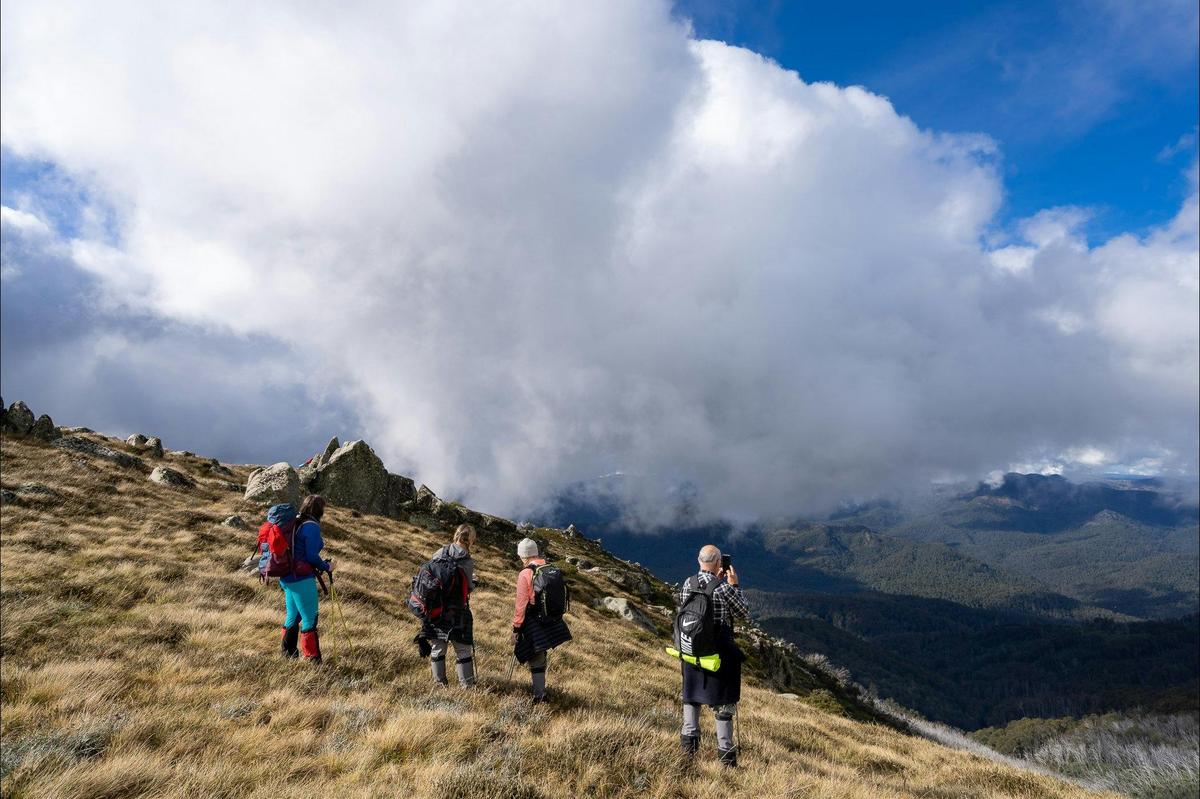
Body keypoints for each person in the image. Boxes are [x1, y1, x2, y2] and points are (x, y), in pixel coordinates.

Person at [677, 544, 749, 767]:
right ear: (718, 563)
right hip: (719, 654)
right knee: (724, 704)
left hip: (692, 650)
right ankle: (726, 757)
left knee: (691, 696)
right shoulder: (723, 588)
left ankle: (688, 750)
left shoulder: (687, 584)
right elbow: (743, 611)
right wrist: (734, 586)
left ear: (699, 561)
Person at [511, 538, 571, 703]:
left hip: (533, 619)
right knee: (541, 654)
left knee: (535, 656)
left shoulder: (526, 573)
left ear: (523, 555)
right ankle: (541, 691)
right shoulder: (551, 568)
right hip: (551, 619)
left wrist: (516, 628)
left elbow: (521, 604)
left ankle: (540, 696)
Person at [279, 494, 333, 663]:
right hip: (301, 578)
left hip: (287, 576)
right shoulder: (311, 526)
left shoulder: (296, 522)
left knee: (293, 616)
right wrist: (326, 566)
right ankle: (313, 659)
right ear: (319, 510)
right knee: (310, 618)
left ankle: (288, 654)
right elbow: (311, 555)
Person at [423, 524, 478, 687]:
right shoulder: (467, 560)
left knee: (438, 647)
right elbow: (467, 587)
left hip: (436, 607)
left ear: (456, 535)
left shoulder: (439, 552)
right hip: (457, 609)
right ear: (471, 539)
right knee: (462, 649)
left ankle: (439, 684)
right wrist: (474, 582)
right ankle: (466, 686)